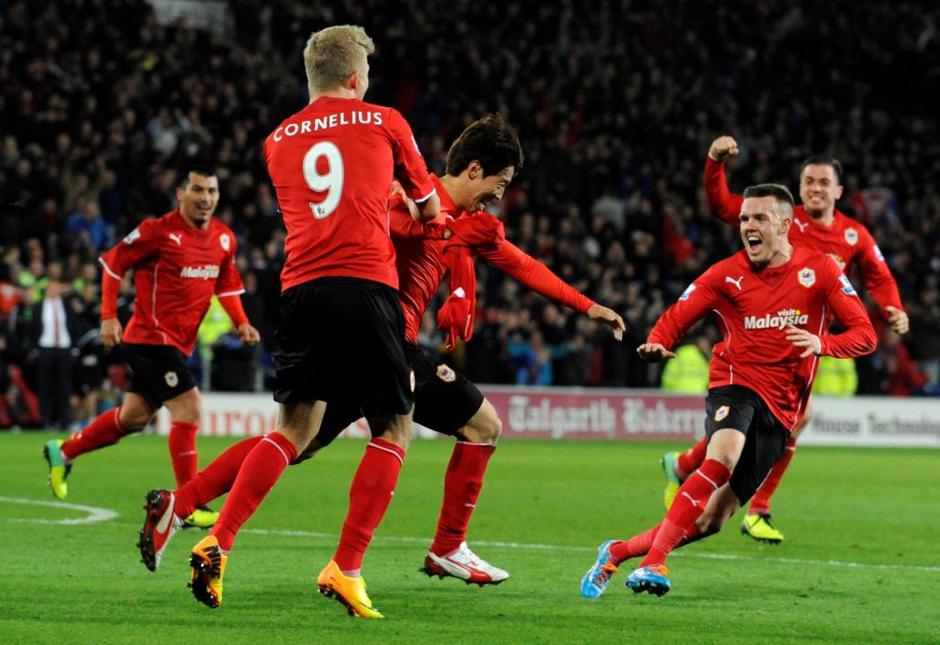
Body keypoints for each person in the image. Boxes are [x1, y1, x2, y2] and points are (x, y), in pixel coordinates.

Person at [137, 114, 624, 618]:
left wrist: (586, 306)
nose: (498, 197)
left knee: (298, 440)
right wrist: (429, 226)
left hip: (359, 339)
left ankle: (182, 503)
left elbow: (522, 264)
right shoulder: (414, 195)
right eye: (499, 185)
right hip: (383, 336)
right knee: (479, 425)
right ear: (475, 169)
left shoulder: (469, 224)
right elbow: (381, 219)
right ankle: (435, 548)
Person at [176, 24, 439, 613]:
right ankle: (346, 566)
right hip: (365, 283)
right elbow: (428, 207)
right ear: (355, 78)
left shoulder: (277, 140)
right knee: (393, 427)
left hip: (299, 291)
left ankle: (219, 540)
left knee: (293, 430)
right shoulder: (385, 120)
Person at [580, 183, 876, 599]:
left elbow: (865, 335)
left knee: (712, 521)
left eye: (759, 218)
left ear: (785, 225)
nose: (748, 226)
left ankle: (616, 551)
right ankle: (654, 563)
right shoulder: (726, 274)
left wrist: (821, 343)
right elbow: (679, 313)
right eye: (743, 219)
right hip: (735, 383)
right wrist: (658, 341)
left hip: (782, 409)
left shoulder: (821, 270)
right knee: (722, 458)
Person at [660, 136, 908, 543]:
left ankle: (687, 465)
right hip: (765, 330)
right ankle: (756, 508)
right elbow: (722, 205)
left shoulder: (855, 235)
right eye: (808, 181)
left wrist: (893, 307)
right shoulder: (776, 215)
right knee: (787, 419)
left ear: (838, 191)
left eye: (823, 182)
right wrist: (714, 164)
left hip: (807, 338)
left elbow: (879, 277)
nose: (814, 188)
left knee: (779, 421)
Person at [42, 167, 259, 530]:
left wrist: (241, 322)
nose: (205, 198)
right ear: (181, 193)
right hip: (151, 339)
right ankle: (189, 502)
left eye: (211, 191)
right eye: (197, 190)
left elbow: (225, 285)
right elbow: (114, 264)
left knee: (133, 418)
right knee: (189, 408)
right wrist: (108, 316)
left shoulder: (224, 238)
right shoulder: (157, 231)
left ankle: (63, 451)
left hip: (178, 345)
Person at [31, 279, 83, 429]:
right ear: (46, 290)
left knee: (64, 387)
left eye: (56, 288)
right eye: (51, 288)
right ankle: (46, 421)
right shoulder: (38, 307)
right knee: (44, 386)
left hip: (64, 348)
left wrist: (74, 347)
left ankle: (64, 421)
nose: (53, 291)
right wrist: (35, 348)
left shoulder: (67, 306)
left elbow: (74, 326)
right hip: (45, 348)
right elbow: (33, 328)